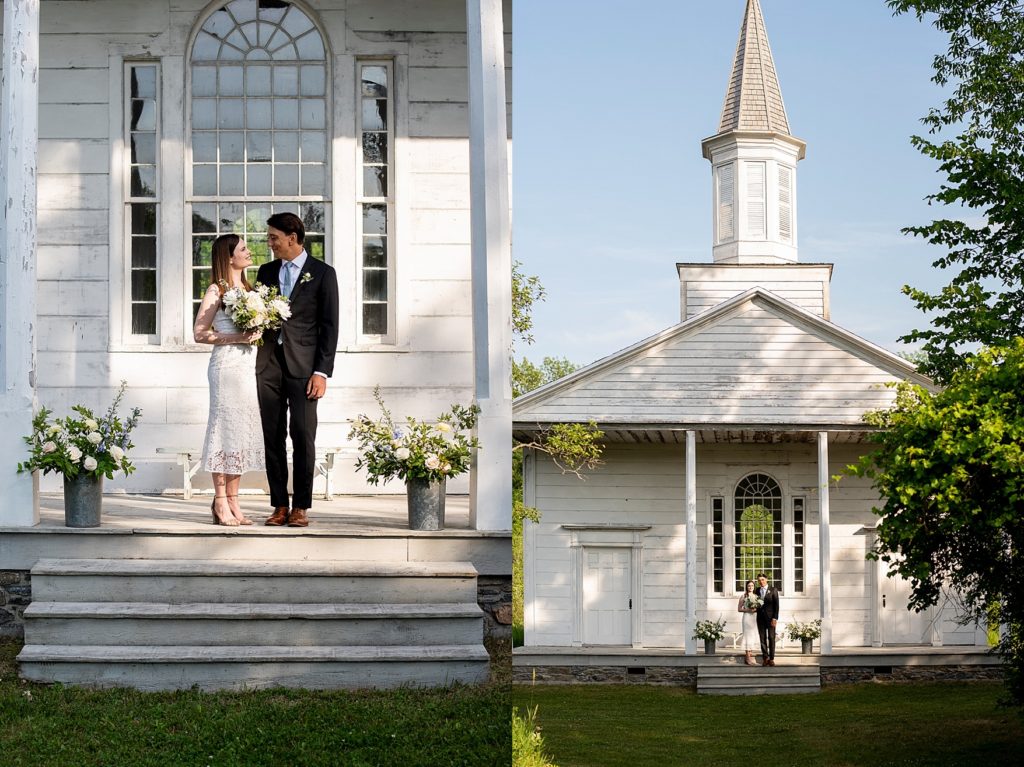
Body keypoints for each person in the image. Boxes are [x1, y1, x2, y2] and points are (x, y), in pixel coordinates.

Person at [255, 212, 339, 527]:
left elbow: (330, 327)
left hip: (305, 367)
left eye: (274, 237)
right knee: (272, 436)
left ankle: (301, 506)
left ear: (292, 237)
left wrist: (322, 371)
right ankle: (279, 504)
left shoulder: (322, 273)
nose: (270, 243)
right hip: (268, 364)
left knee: (303, 436)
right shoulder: (266, 271)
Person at [193, 234, 265, 526]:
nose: (249, 252)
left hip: (248, 369)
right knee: (224, 431)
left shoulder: (250, 290)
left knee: (242, 434)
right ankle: (220, 501)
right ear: (229, 256)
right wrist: (237, 337)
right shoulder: (217, 290)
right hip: (226, 369)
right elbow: (199, 333)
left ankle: (234, 501)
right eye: (243, 249)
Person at [755, 572, 780, 666]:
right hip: (760, 618)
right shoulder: (757, 590)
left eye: (762, 580)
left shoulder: (773, 590)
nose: (761, 582)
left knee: (771, 637)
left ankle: (772, 658)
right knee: (762, 638)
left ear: (766, 580)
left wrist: (775, 618)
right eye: (759, 580)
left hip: (770, 618)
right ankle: (765, 658)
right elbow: (756, 603)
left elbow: (777, 605)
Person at [737, 579, 760, 666]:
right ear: (746, 587)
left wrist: (756, 609)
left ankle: (750, 656)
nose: (750, 587)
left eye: (752, 586)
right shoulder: (743, 596)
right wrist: (748, 610)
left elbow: (759, 607)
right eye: (749, 586)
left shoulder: (756, 596)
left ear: (754, 587)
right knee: (747, 636)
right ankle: (747, 658)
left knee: (753, 636)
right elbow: (739, 609)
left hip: (754, 618)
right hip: (747, 618)